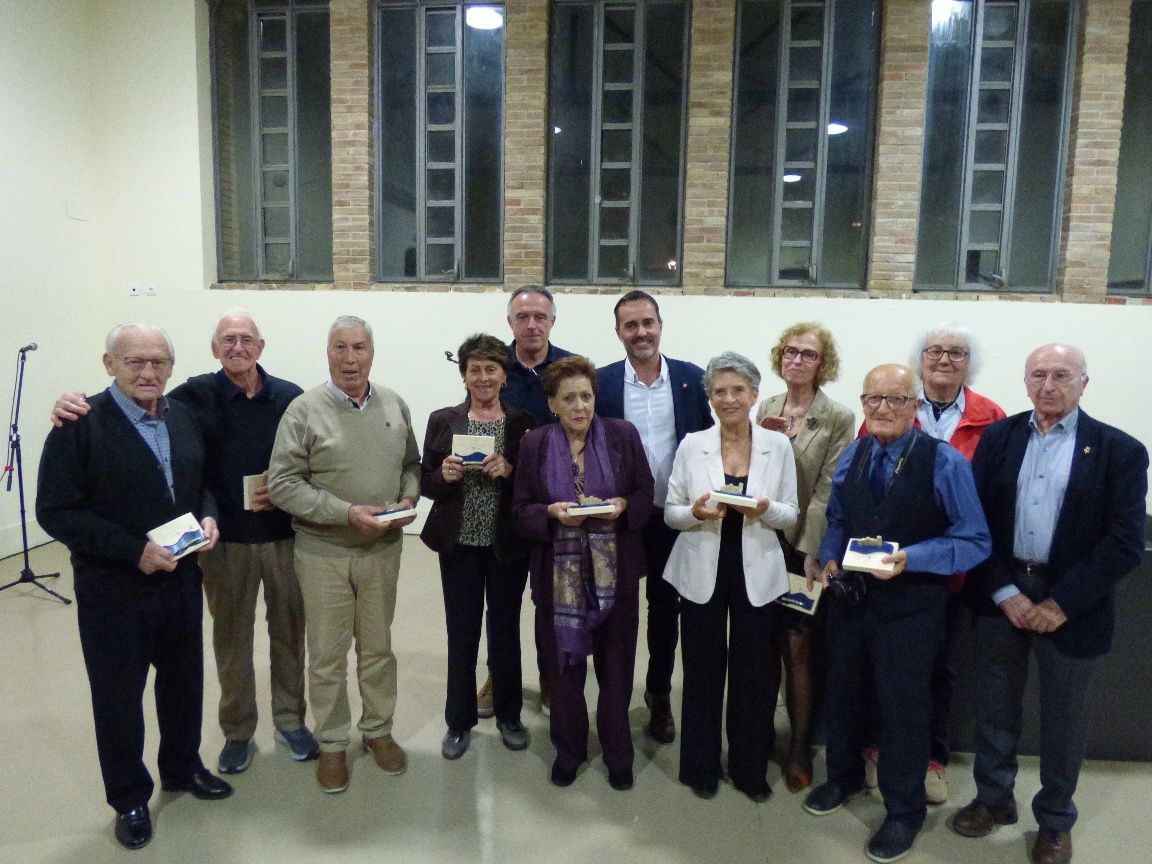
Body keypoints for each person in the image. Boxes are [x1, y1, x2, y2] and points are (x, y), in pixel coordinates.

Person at [50, 312, 316, 775]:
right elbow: (125, 419)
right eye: (227, 340)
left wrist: (292, 486)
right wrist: (67, 403)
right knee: (230, 639)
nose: (237, 347)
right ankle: (237, 731)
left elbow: (314, 453)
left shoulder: (290, 397)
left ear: (262, 345)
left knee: (288, 635)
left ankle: (290, 721)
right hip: (218, 545)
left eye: (246, 339)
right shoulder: (189, 399)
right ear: (213, 349)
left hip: (281, 538)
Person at [36, 324, 232, 850]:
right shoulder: (79, 424)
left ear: (172, 364)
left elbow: (203, 485)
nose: (148, 373)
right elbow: (55, 511)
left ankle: (181, 767)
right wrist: (132, 551)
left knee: (183, 682)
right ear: (109, 364)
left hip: (182, 580)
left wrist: (210, 518)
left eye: (158, 362)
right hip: (113, 591)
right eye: (134, 362)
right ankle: (128, 797)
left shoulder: (184, 417)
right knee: (118, 696)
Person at [951, 344, 1147, 864]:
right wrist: (1005, 591)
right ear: (1025, 381)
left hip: (1074, 603)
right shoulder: (998, 437)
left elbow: (1125, 542)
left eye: (1062, 375)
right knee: (995, 707)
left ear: (1085, 383)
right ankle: (993, 800)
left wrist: (1060, 603)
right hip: (1003, 594)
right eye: (1038, 375)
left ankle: (1056, 821)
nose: (1048, 385)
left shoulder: (1119, 450)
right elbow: (976, 525)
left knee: (1064, 719)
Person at [803, 364, 990, 864]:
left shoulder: (944, 462)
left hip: (913, 608)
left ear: (914, 406)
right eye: (873, 400)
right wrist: (826, 556)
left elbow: (974, 539)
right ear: (863, 405)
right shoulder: (854, 454)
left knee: (903, 708)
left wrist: (914, 559)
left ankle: (904, 811)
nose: (883, 409)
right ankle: (842, 778)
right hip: (852, 602)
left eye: (895, 400)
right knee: (842, 692)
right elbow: (840, 516)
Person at [267, 315, 420, 794]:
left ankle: (378, 731)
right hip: (323, 553)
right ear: (327, 352)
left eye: (358, 348)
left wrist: (409, 498)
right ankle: (332, 743)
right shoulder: (302, 410)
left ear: (372, 353)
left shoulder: (394, 403)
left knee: (377, 649)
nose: (350, 358)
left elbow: (412, 465)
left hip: (382, 551)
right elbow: (282, 484)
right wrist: (346, 513)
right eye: (340, 348)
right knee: (328, 655)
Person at [512, 356, 654, 791]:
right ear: (552, 403)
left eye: (586, 396)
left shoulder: (621, 436)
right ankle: (569, 751)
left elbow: (644, 493)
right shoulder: (535, 444)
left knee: (616, 670)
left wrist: (622, 506)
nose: (580, 406)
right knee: (563, 671)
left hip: (616, 575)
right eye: (569, 398)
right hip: (558, 577)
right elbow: (519, 511)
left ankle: (618, 754)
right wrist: (551, 514)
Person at [663, 352, 799, 802]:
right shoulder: (692, 444)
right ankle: (700, 767)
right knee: (702, 670)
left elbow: (790, 514)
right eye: (719, 391)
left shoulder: (777, 446)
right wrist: (696, 512)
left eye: (738, 389)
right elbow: (672, 512)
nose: (728, 398)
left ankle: (749, 769)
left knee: (755, 674)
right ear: (709, 398)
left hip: (757, 567)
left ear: (755, 395)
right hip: (702, 561)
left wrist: (764, 508)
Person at [595, 290, 713, 744]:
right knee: (615, 608)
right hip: (620, 517)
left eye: (647, 323)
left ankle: (658, 696)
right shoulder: (603, 383)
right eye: (630, 325)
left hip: (674, 516)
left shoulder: (691, 379)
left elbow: (712, 438)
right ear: (618, 331)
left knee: (665, 610)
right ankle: (613, 699)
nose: (640, 332)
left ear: (660, 325)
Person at [420, 334, 536, 760]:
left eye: (492, 368)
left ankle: (508, 715)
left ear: (505, 375)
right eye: (475, 369)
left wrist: (512, 467)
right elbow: (424, 480)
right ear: (464, 375)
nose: (483, 377)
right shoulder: (443, 419)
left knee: (505, 631)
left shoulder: (523, 422)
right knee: (462, 631)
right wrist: (443, 475)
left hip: (507, 542)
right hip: (459, 542)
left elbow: (537, 479)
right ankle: (459, 721)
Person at [754, 323, 854, 792]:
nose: (797, 360)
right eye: (790, 352)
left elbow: (827, 490)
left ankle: (798, 745)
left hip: (801, 550)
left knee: (798, 647)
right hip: (760, 541)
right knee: (759, 642)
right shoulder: (766, 407)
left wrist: (810, 549)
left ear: (823, 363)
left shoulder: (837, 416)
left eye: (808, 355)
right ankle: (758, 732)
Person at [494, 284, 575, 717]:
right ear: (510, 322)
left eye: (540, 317)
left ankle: (549, 676)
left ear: (552, 322)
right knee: (503, 600)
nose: (531, 324)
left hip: (555, 509)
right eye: (523, 317)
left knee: (549, 601)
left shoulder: (568, 369)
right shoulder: (494, 367)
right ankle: (498, 675)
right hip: (503, 507)